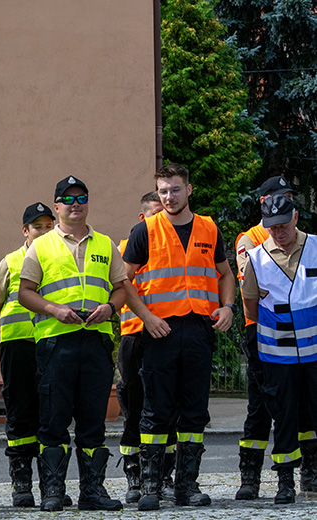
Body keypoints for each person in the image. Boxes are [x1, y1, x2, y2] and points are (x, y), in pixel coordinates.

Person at [122, 163, 236, 511]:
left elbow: (225, 273)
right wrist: (147, 317)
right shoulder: (145, 231)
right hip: (161, 331)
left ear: (189, 190)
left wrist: (228, 306)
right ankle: (151, 488)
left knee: (194, 410)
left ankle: (186, 486)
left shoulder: (208, 228)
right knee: (155, 410)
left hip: (200, 329)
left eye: (174, 189)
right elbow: (123, 281)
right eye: (162, 191)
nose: (168, 197)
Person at [18, 176, 127, 512]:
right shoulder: (42, 245)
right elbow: (24, 292)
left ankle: (93, 491)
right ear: (57, 206)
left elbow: (121, 288)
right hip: (56, 342)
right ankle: (52, 491)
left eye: (81, 198)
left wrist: (110, 307)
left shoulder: (105, 244)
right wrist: (53, 309)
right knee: (53, 420)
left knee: (93, 420)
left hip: (95, 340)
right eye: (67, 199)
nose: (75, 204)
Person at [234, 176, 317, 500]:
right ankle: (265, 479)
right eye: (274, 227)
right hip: (272, 348)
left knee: (311, 412)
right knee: (268, 412)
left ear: (295, 215)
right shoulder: (253, 249)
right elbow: (251, 302)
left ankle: (310, 472)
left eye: (283, 225)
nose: (278, 232)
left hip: (312, 350)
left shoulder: (312, 246)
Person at [0, 202, 64, 508]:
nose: (45, 232)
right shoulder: (10, 262)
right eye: (38, 227)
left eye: (50, 226)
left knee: (53, 414)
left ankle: (52, 483)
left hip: (52, 345)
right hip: (19, 346)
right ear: (25, 231)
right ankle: (21, 483)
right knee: (21, 414)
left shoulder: (61, 259)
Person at [116, 191, 177, 504]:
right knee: (133, 407)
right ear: (143, 219)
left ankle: (164, 475)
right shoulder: (125, 250)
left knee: (167, 409)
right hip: (134, 335)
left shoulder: (174, 247)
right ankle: (134, 475)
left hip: (165, 336)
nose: (162, 220)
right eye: (156, 214)